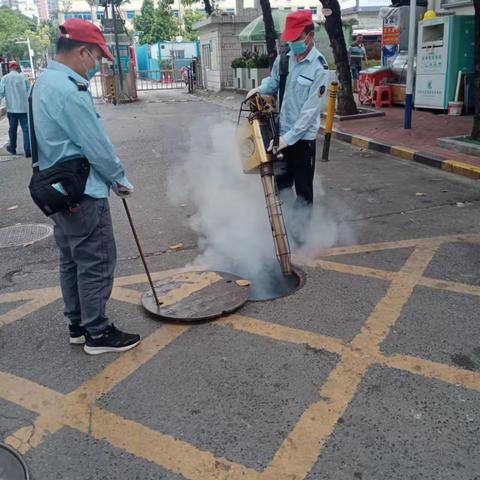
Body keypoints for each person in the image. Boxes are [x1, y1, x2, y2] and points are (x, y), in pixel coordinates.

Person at [31, 19, 140, 355]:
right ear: (82, 52)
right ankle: (97, 332)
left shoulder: (43, 83)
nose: (97, 65)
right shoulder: (69, 90)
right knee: (96, 260)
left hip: (57, 190)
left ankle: (77, 324)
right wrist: (119, 180)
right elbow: (96, 147)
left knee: (72, 259)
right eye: (97, 58)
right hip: (82, 192)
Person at [246, 11, 329, 237]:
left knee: (303, 190)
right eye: (290, 39)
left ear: (310, 36)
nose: (293, 43)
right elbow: (273, 83)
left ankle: (301, 237)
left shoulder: (319, 69)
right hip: (280, 133)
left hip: (302, 140)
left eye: (297, 38)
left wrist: (288, 139)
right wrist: (258, 90)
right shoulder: (284, 58)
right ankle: (287, 228)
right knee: (281, 186)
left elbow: (310, 113)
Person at [0, 61, 31, 157]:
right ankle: (28, 150)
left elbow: (1, 93)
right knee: (26, 129)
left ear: (10, 68)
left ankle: (12, 147)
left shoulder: (5, 78)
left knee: (12, 128)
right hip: (23, 108)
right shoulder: (24, 78)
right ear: (18, 68)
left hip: (11, 108)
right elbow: (29, 91)